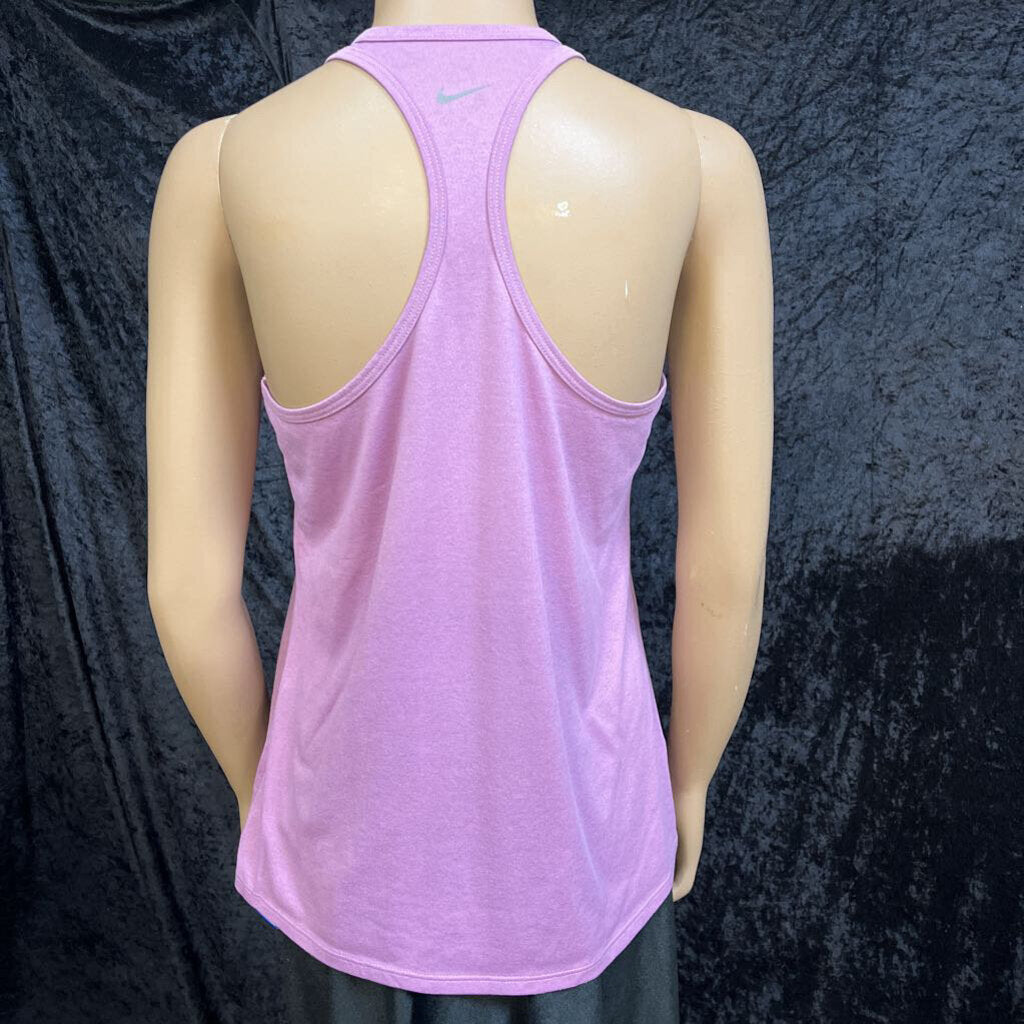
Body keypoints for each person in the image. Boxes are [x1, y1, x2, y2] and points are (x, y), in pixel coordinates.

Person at [146, 1, 773, 1020]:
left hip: (347, 864)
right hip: (588, 853)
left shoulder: (222, 168)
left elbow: (185, 587)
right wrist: (688, 779)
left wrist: (269, 797)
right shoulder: (697, 165)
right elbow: (725, 574)